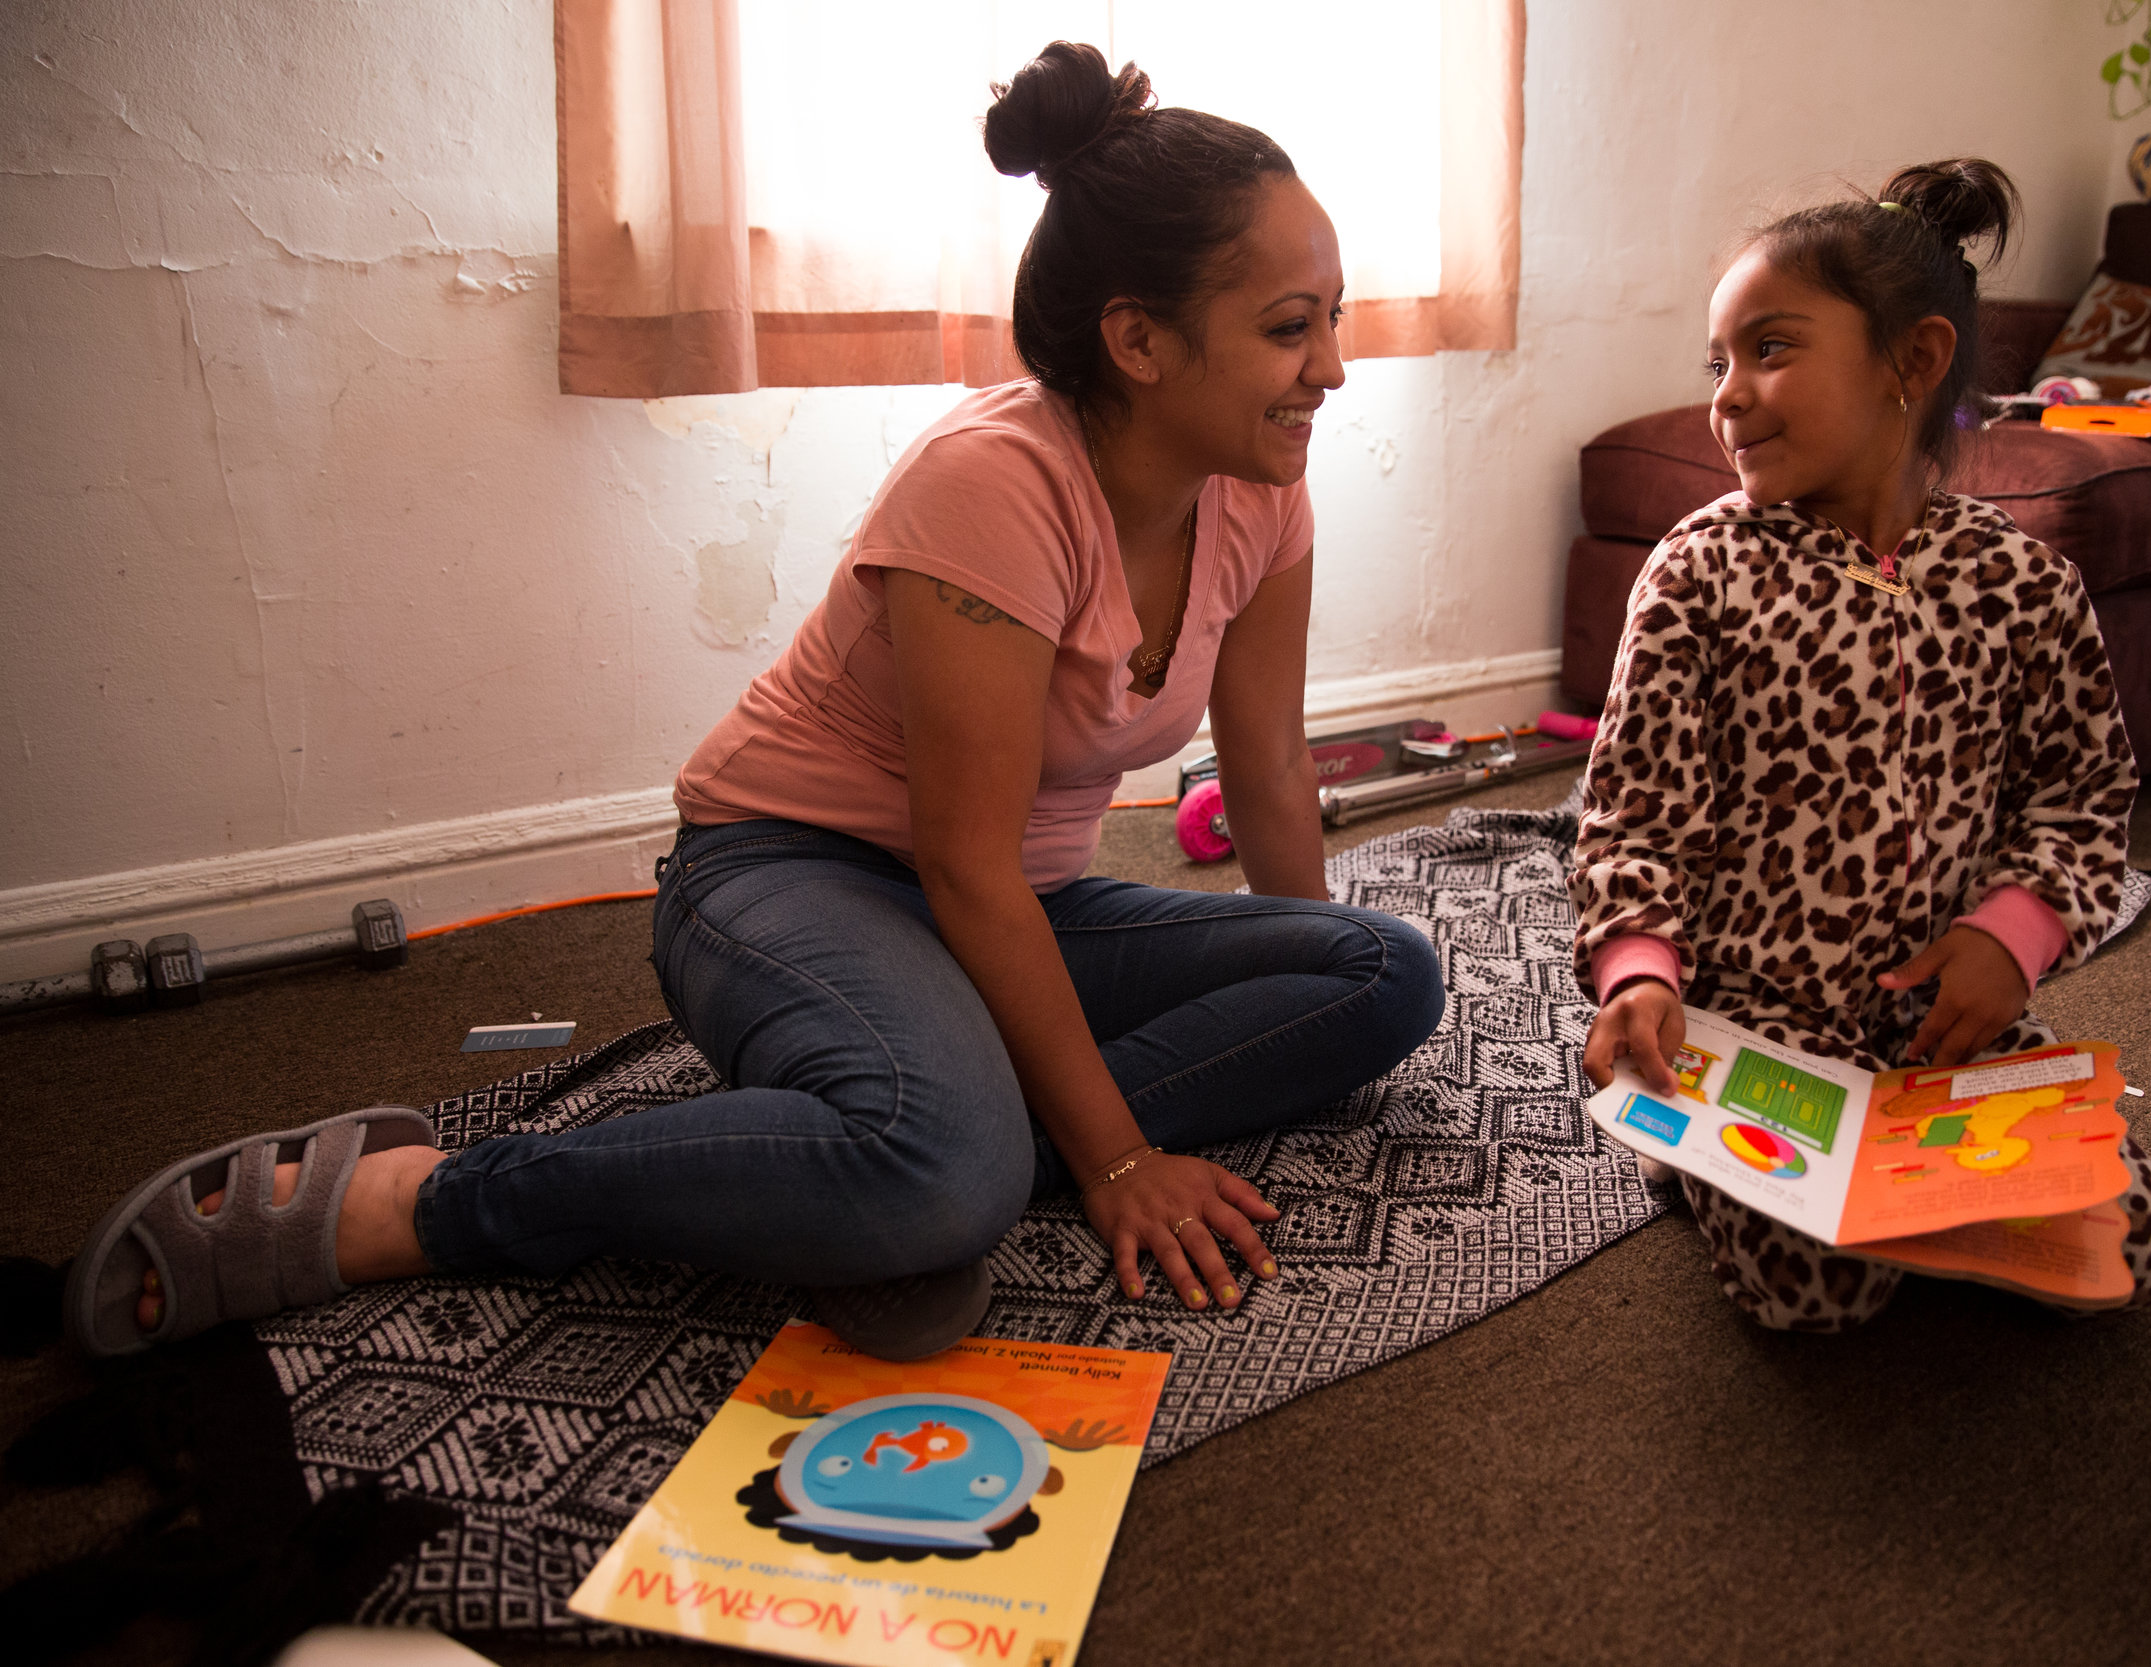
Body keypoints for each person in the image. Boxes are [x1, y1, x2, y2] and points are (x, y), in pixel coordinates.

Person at [68, 42, 1443, 1362]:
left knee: (1379, 972)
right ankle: (424, 1197)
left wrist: (1288, 977)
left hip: (1024, 906)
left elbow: (1264, 761)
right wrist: (1124, 1156)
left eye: (1331, 316)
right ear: (1138, 338)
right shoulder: (995, 486)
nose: (1333, 365)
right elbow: (962, 867)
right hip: (791, 873)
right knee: (940, 1167)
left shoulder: (1264, 491)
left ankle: (898, 1161)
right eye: (1288, 327)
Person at [1572, 159, 2151, 1332]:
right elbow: (1632, 813)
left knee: (2136, 1246)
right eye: (1717, 363)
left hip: (1941, 1007)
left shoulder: (2021, 579)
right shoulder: (1698, 572)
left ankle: (1885, 1157)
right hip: (1750, 1012)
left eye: (1770, 350)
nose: (1729, 394)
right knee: (1825, 1291)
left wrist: (2008, 941)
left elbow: (2082, 797)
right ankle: (1686, 1151)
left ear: (1911, 363)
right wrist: (1641, 972)